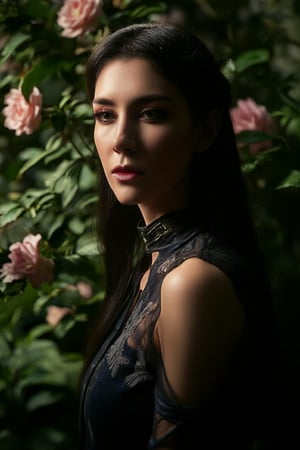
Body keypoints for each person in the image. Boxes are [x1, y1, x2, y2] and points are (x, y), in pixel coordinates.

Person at [79, 22, 279, 450]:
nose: (121, 140)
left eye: (151, 113)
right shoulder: (153, 260)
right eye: (105, 115)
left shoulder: (192, 282)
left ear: (204, 130)